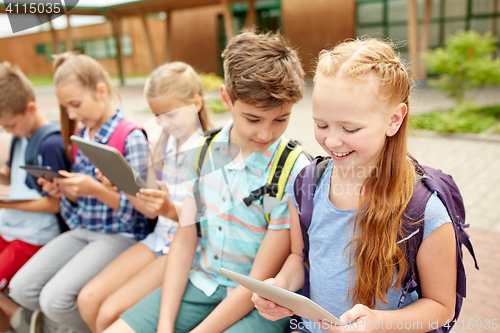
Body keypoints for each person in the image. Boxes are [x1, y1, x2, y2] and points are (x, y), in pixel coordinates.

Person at [103, 30, 310, 333]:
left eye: (281, 119)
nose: (266, 134)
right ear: (226, 98)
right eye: (253, 119)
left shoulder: (292, 169)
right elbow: (185, 239)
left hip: (256, 303)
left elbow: (257, 278)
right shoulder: (202, 150)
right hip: (201, 282)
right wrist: (164, 324)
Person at [252, 38, 457, 333]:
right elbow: (301, 258)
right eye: (321, 124)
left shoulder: (424, 211)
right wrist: (281, 287)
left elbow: (441, 306)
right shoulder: (307, 183)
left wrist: (379, 324)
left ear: (394, 120)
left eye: (350, 128)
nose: (332, 141)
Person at [9, 53, 150, 333]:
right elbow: (80, 205)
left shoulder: (130, 137)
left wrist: (96, 190)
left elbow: (143, 213)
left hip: (121, 234)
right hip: (84, 229)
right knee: (21, 289)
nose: (72, 115)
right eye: (66, 107)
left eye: (75, 105)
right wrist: (65, 192)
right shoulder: (83, 136)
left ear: (100, 90)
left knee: (55, 301)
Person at [77, 61, 212, 333]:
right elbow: (149, 209)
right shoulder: (163, 143)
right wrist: (119, 183)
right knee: (88, 300)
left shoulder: (207, 151)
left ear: (196, 103)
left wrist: (167, 208)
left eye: (171, 114)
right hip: (158, 238)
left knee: (107, 314)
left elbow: (200, 223)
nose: (163, 122)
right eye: (157, 115)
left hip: (187, 248)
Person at [0, 61, 70, 333]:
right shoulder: (21, 135)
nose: (9, 131)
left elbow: (54, 203)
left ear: (31, 108)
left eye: (11, 124)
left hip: (34, 235)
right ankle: (16, 317)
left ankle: (20, 316)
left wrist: (5, 202)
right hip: (10, 226)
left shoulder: (50, 143)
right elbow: (11, 175)